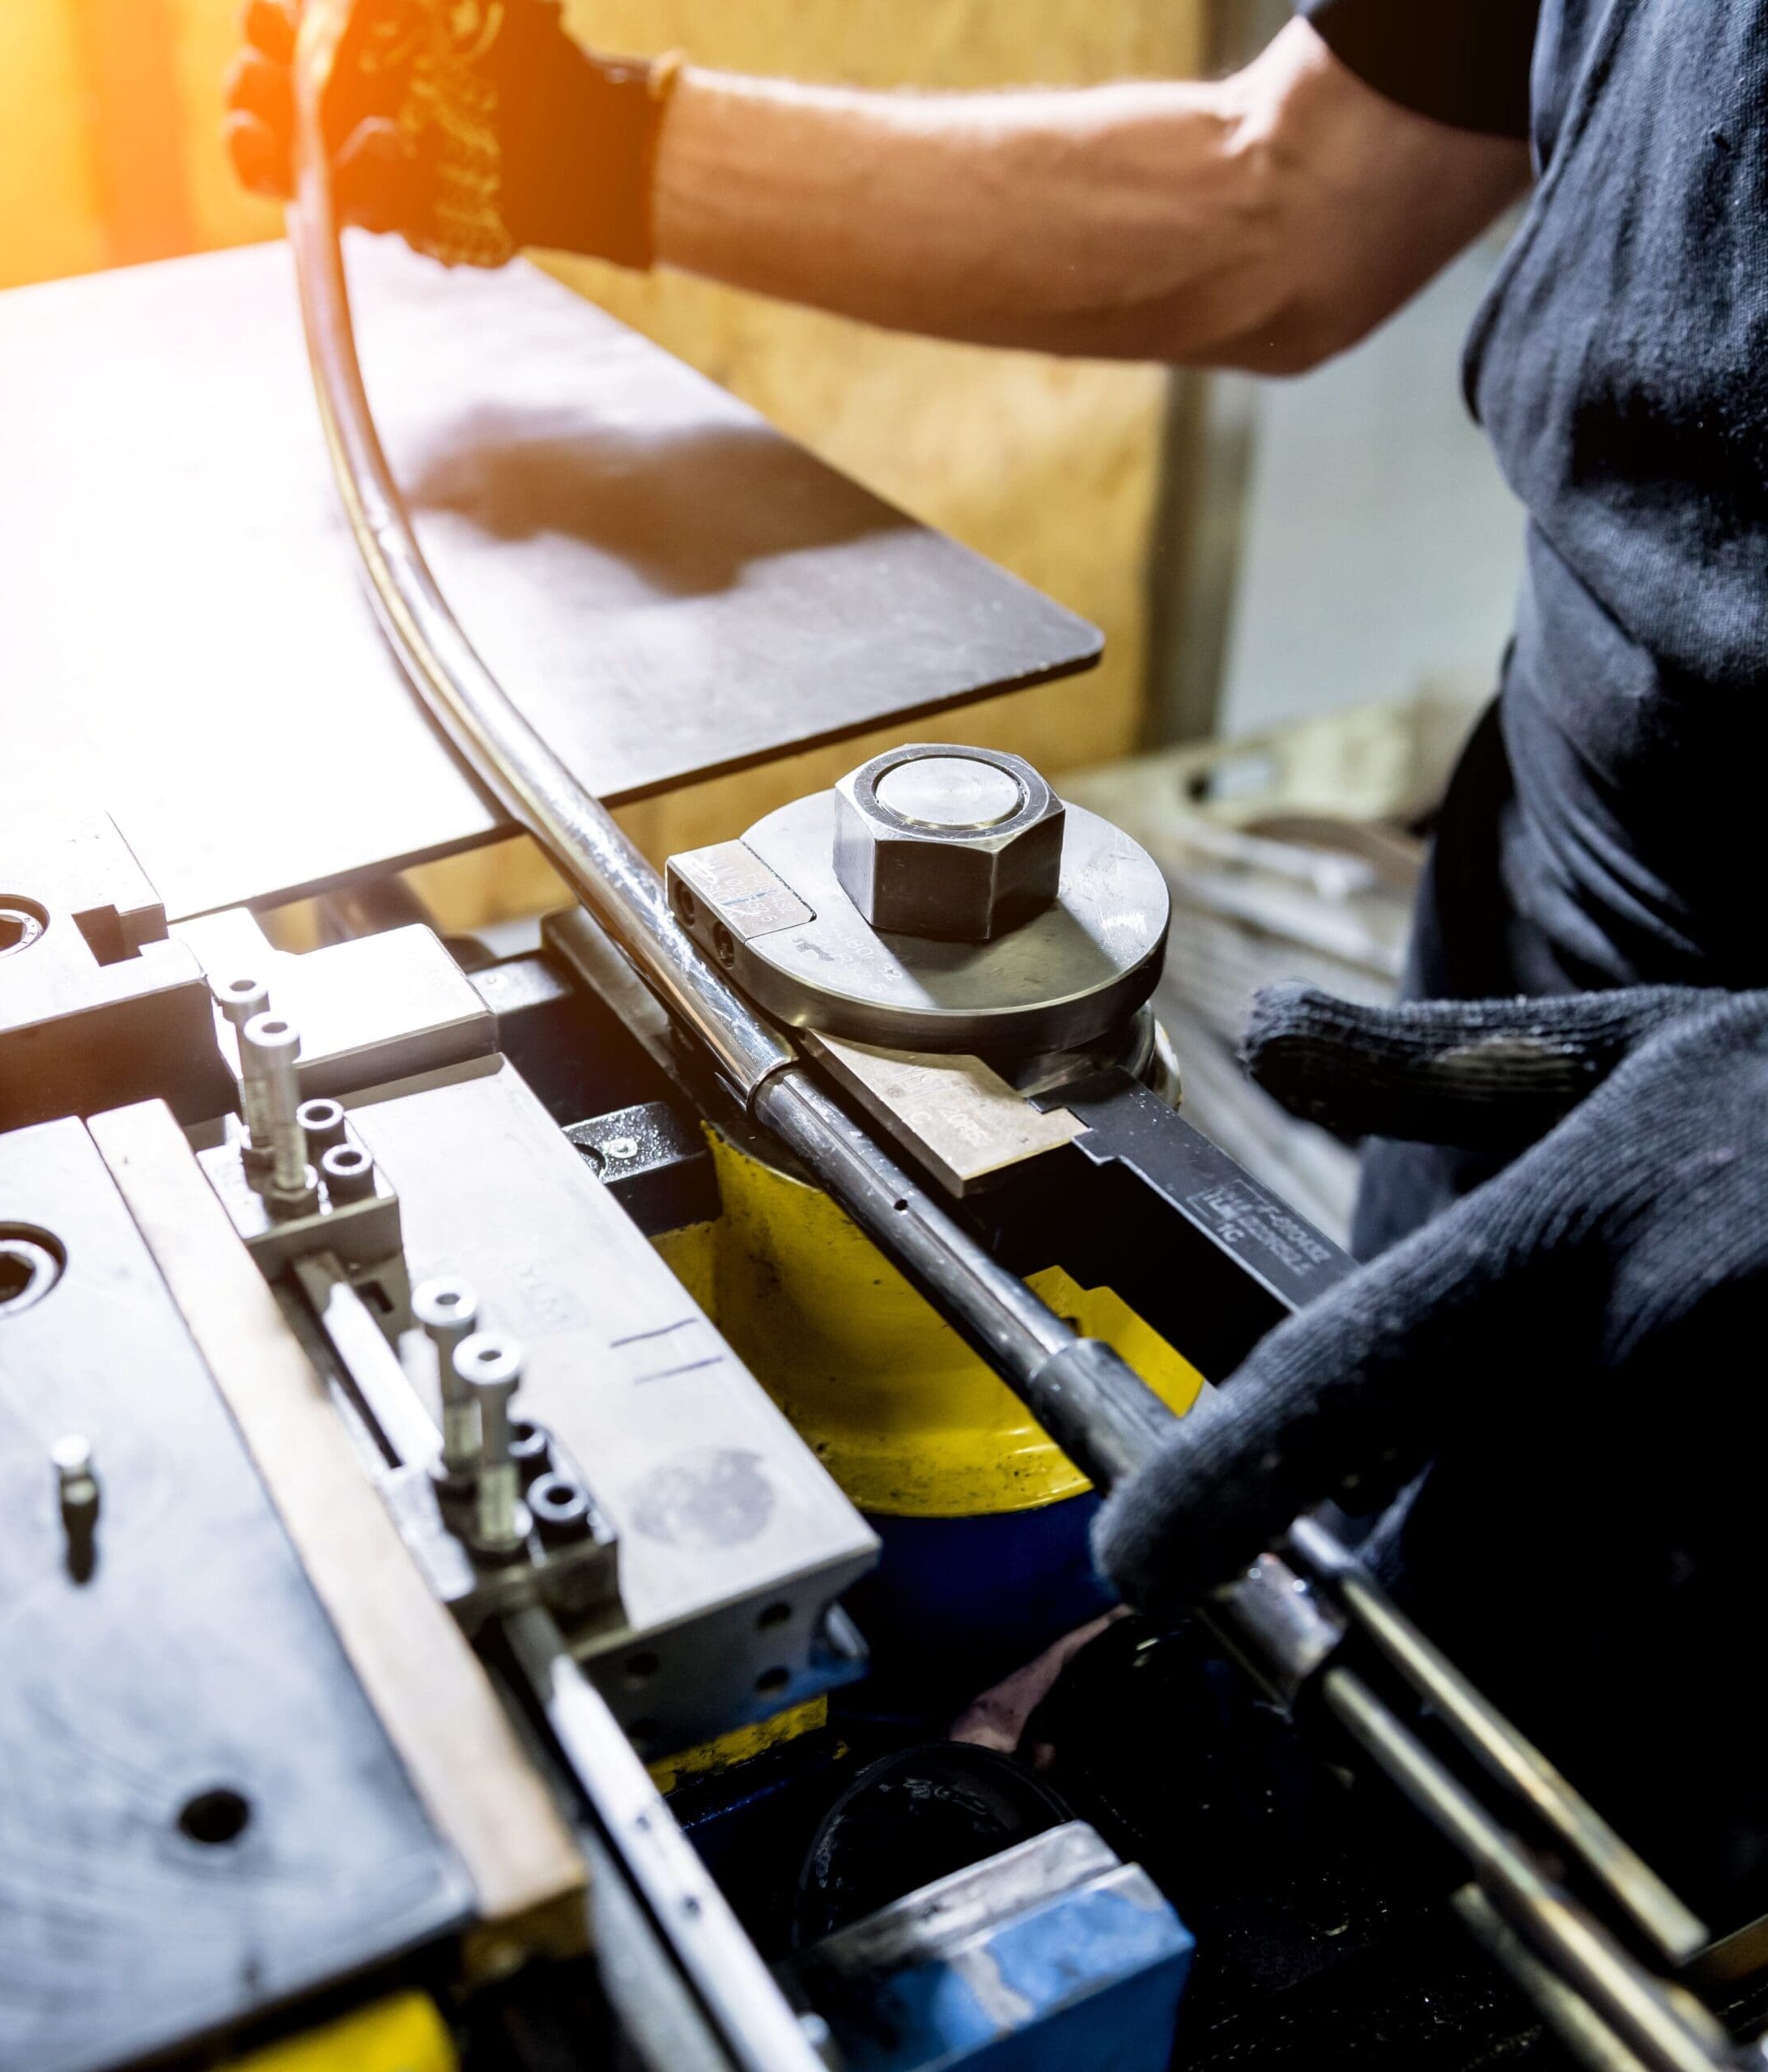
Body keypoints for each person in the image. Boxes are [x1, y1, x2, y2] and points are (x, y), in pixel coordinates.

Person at [225, 2, 1768, 1917]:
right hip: (1546, 942)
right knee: (1409, 1637)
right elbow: (1274, 202)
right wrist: (571, 143)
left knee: (1658, 1830)